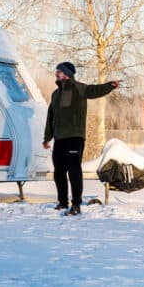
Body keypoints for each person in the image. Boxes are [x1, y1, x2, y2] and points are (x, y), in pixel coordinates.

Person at [42, 62, 121, 216]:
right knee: (59, 172)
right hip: (59, 138)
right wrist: (47, 137)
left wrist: (109, 85)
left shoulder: (79, 88)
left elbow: (95, 90)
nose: (56, 74)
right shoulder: (55, 94)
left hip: (75, 137)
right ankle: (63, 203)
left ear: (67, 74)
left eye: (59, 71)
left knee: (74, 171)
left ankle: (76, 205)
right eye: (56, 71)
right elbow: (51, 117)